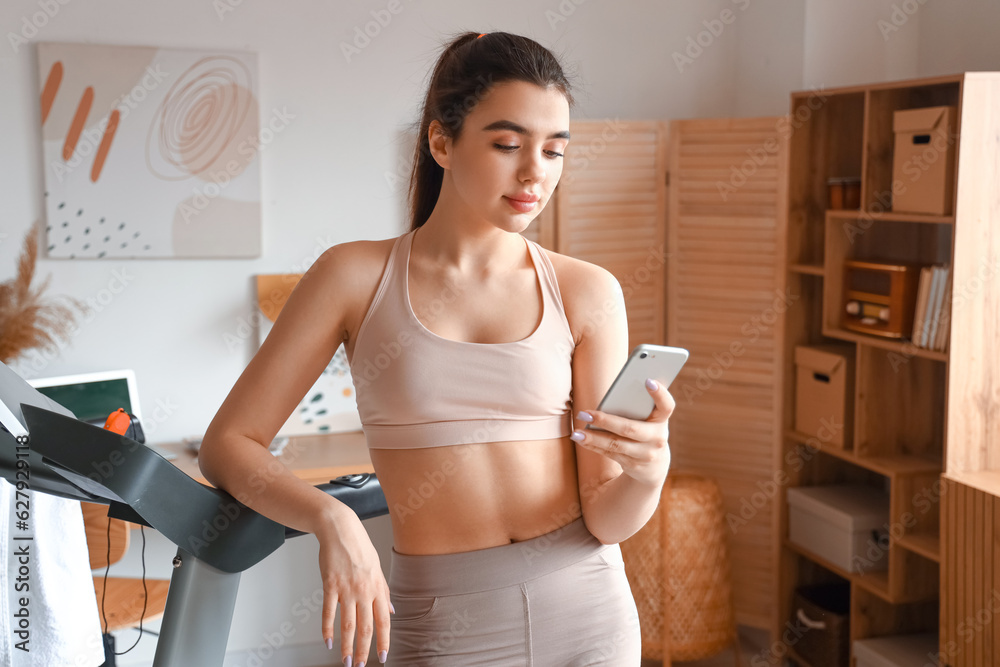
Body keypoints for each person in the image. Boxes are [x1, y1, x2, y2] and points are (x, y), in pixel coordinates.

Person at [198, 30, 675, 667]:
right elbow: (227, 445)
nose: (535, 172)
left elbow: (608, 518)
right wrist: (332, 518)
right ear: (441, 141)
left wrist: (649, 473)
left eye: (555, 151)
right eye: (508, 144)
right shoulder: (353, 276)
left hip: (588, 611)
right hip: (443, 622)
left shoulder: (588, 291)